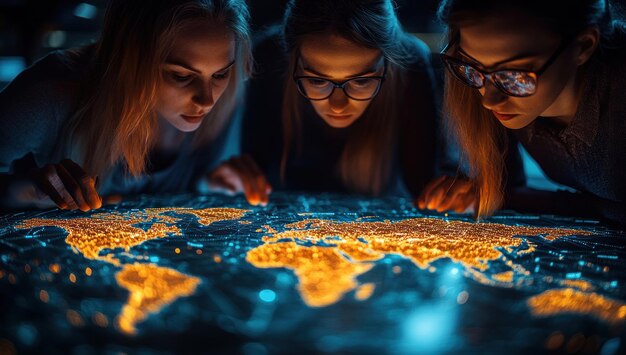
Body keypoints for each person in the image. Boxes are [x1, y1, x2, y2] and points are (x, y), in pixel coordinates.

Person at [0, 0, 252, 211]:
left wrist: (210, 186)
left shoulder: (227, 96)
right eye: (181, 76)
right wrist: (26, 191)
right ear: (131, 62)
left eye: (220, 75)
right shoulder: (51, 93)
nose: (206, 100)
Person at [208, 0, 441, 206]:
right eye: (317, 80)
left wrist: (450, 193)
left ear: (388, 67)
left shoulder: (410, 65)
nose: (338, 104)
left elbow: (423, 190)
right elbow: (252, 175)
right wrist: (231, 182)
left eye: (361, 81)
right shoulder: (268, 61)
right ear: (292, 63)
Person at [418, 0, 626, 225]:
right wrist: (487, 195)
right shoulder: (491, 89)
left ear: (584, 46)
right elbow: (599, 205)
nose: (489, 99)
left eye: (515, 76)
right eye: (470, 67)